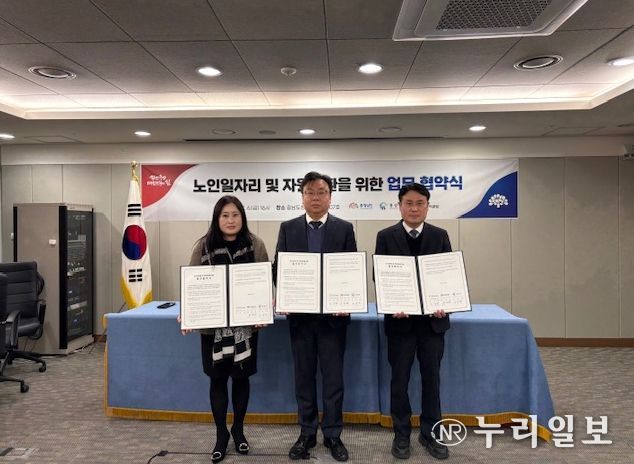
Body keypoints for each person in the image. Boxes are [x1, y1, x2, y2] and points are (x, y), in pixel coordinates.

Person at [273, 171, 357, 462]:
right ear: (302, 197)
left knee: (334, 380)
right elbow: (279, 268)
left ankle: (333, 434)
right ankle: (307, 433)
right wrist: (284, 295)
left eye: (322, 192)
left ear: (330, 197)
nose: (316, 198)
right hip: (301, 319)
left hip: (333, 319)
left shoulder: (344, 228)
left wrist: (348, 299)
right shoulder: (288, 228)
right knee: (304, 378)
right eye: (310, 192)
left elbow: (350, 269)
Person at [182, 195, 269, 464]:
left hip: (246, 328)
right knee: (217, 380)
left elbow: (264, 283)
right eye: (225, 215)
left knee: (242, 379)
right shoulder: (203, 246)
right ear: (216, 219)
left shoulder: (256, 244)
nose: (231, 220)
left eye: (235, 215)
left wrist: (263, 311)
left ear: (242, 217)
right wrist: (188, 314)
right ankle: (221, 434)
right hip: (213, 330)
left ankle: (238, 430)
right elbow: (192, 286)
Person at [374, 183, 451, 460]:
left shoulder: (440, 235)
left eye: (420, 203)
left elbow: (447, 276)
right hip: (400, 324)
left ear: (427, 206)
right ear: (400, 206)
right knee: (399, 381)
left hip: (432, 324)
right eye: (409, 203)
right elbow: (379, 277)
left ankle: (431, 434)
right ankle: (402, 434)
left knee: (432, 381)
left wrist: (445, 302)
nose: (414, 208)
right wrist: (392, 303)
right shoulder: (385, 236)